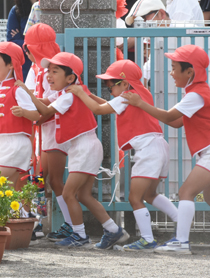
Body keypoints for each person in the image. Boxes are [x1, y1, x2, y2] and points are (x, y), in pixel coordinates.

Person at [16, 52, 129, 249]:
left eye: (55, 71)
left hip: (84, 148)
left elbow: (45, 111)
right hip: (86, 147)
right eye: (48, 71)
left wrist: (26, 91)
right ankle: (113, 230)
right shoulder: (66, 92)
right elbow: (47, 104)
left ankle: (80, 236)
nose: (49, 76)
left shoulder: (68, 95)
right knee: (84, 195)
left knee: (69, 194)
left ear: (70, 78)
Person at [68, 59, 179, 251]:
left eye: (110, 84)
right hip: (158, 146)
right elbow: (109, 105)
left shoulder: (127, 95)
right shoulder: (139, 93)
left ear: (125, 83)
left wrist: (79, 92)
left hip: (148, 150)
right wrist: (89, 94)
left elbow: (99, 110)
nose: (108, 88)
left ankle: (147, 239)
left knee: (135, 198)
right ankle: (182, 221)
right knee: (151, 195)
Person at [122, 45, 210, 255]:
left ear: (190, 72)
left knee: (186, 192)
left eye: (174, 68)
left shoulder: (197, 94)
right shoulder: (197, 92)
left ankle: (181, 242)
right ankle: (180, 241)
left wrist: (140, 103)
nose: (171, 73)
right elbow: (178, 122)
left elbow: (170, 117)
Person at [21, 23, 74, 242]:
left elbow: (48, 106)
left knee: (48, 180)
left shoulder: (48, 70)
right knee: (40, 180)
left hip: (51, 130)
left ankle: (68, 225)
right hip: (42, 130)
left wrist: (33, 116)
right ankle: (39, 223)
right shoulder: (39, 68)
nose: (27, 52)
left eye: (28, 47)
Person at [0, 42, 40, 188]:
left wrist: (24, 112)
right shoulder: (0, 89)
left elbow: (36, 115)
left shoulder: (17, 89)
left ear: (11, 65)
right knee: (7, 193)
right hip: (4, 143)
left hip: (16, 144)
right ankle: (15, 212)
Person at [7, 0, 37, 81]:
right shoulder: (16, 11)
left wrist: (22, 39)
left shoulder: (43, 8)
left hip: (43, 63)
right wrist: (35, 46)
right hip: (24, 66)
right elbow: (12, 42)